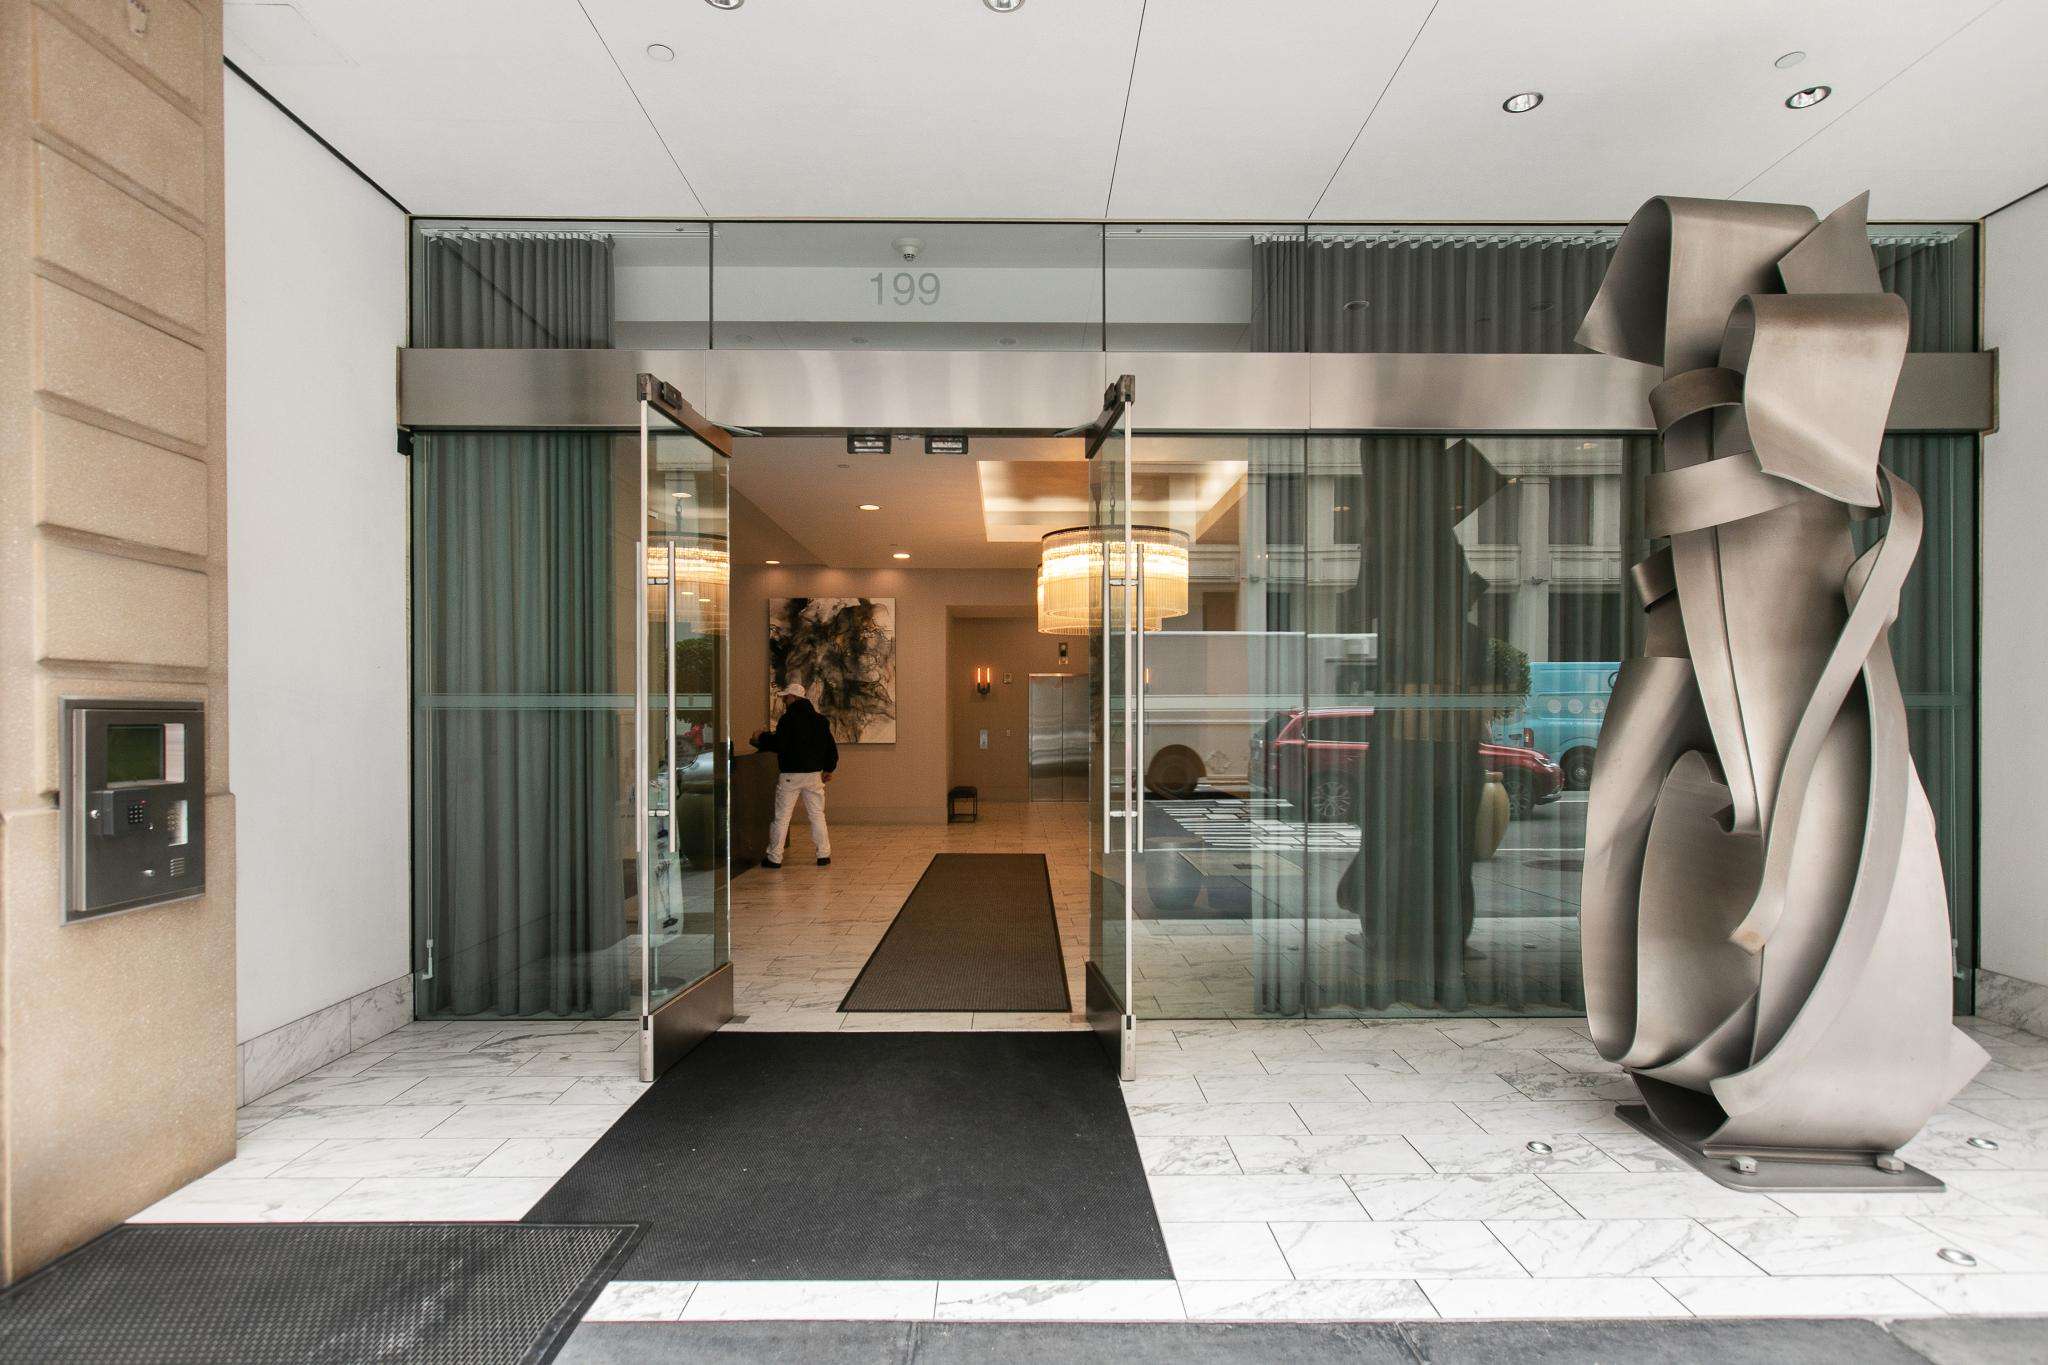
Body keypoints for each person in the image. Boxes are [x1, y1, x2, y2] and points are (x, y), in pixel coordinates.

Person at [752, 682, 838, 868]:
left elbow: (779, 744)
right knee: (817, 815)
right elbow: (830, 747)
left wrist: (761, 737)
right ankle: (823, 854)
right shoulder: (820, 720)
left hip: (790, 774)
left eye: (786, 697)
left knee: (782, 817)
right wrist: (829, 768)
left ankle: (775, 857)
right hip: (814, 774)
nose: (784, 701)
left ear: (793, 697)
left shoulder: (787, 719)